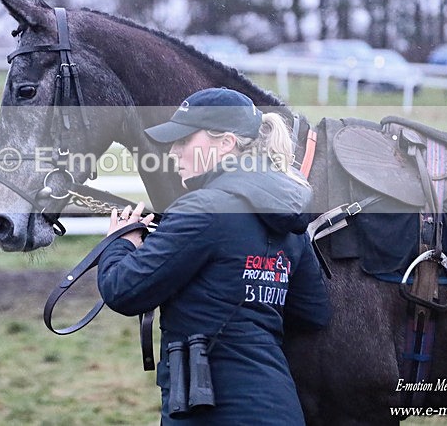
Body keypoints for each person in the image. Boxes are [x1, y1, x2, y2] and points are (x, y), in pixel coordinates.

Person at [97, 88, 331, 425]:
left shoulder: (201, 209)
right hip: (279, 408)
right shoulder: (288, 216)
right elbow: (312, 312)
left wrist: (123, 241)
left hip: (211, 411)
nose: (173, 152)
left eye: (184, 141)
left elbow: (122, 289)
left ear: (225, 143)